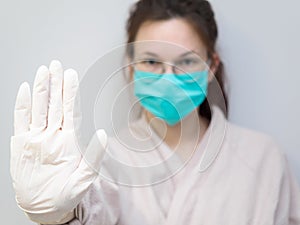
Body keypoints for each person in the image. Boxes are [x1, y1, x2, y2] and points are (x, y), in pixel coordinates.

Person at [10, 0, 300, 224]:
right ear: (131, 64)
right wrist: (57, 216)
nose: (168, 77)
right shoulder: (104, 161)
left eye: (186, 62)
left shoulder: (263, 158)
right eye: (151, 61)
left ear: (211, 66)